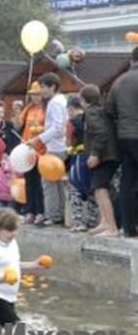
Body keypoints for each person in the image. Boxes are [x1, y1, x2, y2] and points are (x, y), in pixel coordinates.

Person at [0, 208, 46, 326]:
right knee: (16, 328)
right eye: (9, 230)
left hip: (9, 296)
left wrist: (34, 264)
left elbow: (14, 265)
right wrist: (2, 279)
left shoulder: (12, 243)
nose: (13, 233)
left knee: (3, 329)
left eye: (15, 229)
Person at [28, 73, 69, 227]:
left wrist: (38, 138)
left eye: (44, 87)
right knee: (57, 182)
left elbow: (58, 128)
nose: (42, 91)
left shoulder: (55, 103)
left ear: (53, 87)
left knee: (48, 182)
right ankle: (60, 213)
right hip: (57, 146)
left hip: (55, 148)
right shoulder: (60, 101)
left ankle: (52, 215)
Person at [106, 47, 138, 238]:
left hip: (123, 137)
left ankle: (128, 227)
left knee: (128, 180)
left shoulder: (118, 82)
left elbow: (109, 110)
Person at [83, 84, 120, 237]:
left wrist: (95, 154)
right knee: (98, 188)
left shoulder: (91, 113)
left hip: (105, 156)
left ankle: (111, 227)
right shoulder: (101, 110)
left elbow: (100, 133)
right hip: (110, 155)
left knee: (101, 188)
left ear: (83, 100)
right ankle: (104, 221)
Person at [66, 97, 98, 232]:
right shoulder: (91, 119)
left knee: (74, 189)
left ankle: (78, 221)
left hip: (77, 158)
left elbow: (68, 141)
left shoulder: (72, 122)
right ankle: (92, 221)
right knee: (92, 189)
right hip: (91, 156)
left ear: (71, 109)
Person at [17, 82, 46, 225]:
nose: (35, 97)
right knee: (29, 182)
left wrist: (39, 129)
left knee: (39, 182)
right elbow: (19, 124)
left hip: (41, 150)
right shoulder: (28, 109)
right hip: (27, 149)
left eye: (37, 94)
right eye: (33, 95)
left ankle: (41, 211)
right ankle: (29, 211)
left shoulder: (46, 109)